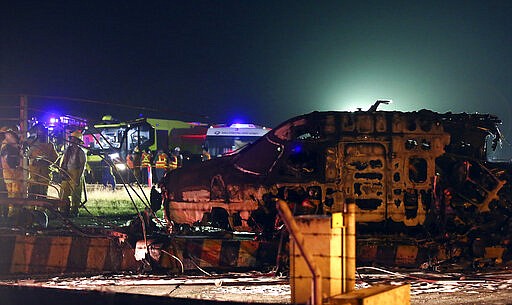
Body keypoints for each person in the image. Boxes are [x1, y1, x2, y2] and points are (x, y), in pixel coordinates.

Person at [59, 130, 86, 217]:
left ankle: (74, 211)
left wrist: (78, 177)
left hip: (76, 173)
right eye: (72, 139)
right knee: (63, 191)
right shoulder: (67, 150)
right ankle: (64, 209)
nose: (73, 142)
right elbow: (63, 162)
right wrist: (62, 171)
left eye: (74, 140)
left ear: (78, 142)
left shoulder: (81, 152)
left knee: (75, 193)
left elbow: (82, 166)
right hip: (67, 172)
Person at [27, 125, 58, 199]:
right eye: (39, 131)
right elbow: (26, 156)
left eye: (42, 131)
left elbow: (55, 157)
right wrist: (32, 161)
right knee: (32, 192)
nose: (40, 133)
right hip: (33, 173)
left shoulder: (49, 145)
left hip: (44, 172)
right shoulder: (31, 144)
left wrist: (47, 161)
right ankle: (31, 208)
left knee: (43, 192)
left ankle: (41, 209)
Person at [0, 128, 24, 217]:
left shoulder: (6, 146)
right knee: (15, 193)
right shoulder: (7, 146)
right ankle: (14, 213)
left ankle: (12, 212)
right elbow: (9, 160)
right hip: (13, 174)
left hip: (10, 174)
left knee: (12, 193)